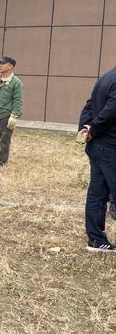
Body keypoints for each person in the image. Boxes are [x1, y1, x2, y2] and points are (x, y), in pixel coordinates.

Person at [78, 67, 116, 252]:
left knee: (97, 194)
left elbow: (89, 104)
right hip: (110, 147)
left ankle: (96, 240)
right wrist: (92, 129)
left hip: (98, 146)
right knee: (100, 194)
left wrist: (85, 127)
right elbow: (111, 111)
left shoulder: (107, 76)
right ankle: (96, 239)